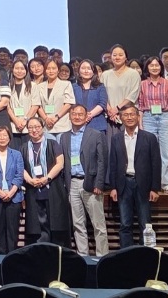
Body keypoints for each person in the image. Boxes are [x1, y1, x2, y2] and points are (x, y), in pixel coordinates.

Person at [109, 105, 161, 247]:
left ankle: (146, 254)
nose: (129, 117)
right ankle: (127, 254)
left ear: (138, 117)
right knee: (125, 223)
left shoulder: (149, 138)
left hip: (143, 184)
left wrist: (155, 188)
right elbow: (113, 164)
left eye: (132, 114)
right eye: (126, 115)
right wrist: (113, 187)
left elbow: (156, 164)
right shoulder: (116, 138)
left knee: (145, 223)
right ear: (121, 118)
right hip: (124, 184)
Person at [61, 105, 110, 256]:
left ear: (86, 116)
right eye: (74, 114)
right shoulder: (64, 137)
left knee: (98, 224)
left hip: (91, 183)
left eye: (80, 114)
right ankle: (83, 256)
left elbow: (102, 160)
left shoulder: (95, 134)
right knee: (78, 224)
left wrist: (99, 183)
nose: (77, 117)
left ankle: (102, 256)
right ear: (70, 116)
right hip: (72, 183)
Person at [21, 117, 70, 246]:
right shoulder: (24, 147)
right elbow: (20, 167)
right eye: (31, 127)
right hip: (33, 190)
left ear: (42, 128)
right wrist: (30, 180)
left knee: (56, 224)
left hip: (53, 188)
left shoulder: (53, 144)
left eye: (37, 127)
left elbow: (60, 164)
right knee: (38, 225)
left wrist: (47, 178)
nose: (34, 130)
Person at [138, 56, 168, 193]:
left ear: (161, 67)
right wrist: (140, 123)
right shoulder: (142, 84)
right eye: (151, 65)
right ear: (147, 68)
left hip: (165, 117)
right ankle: (152, 182)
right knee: (149, 152)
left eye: (157, 65)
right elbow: (140, 105)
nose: (154, 68)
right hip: (148, 117)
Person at [0, 126, 24, 255]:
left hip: (14, 197)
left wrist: (11, 192)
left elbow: (19, 175)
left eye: (5, 135)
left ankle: (12, 258)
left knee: (13, 231)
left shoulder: (17, 154)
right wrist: (0, 192)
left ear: (9, 138)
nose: (2, 138)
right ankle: (0, 258)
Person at [101, 45, 141, 135]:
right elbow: (102, 95)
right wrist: (110, 110)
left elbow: (133, 95)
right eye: (114, 55)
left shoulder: (133, 74)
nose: (117, 57)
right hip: (110, 117)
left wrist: (117, 109)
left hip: (127, 115)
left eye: (120, 55)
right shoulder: (105, 75)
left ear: (126, 57)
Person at [37, 59, 75, 138]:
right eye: (48, 68)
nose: (51, 71)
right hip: (46, 125)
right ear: (45, 70)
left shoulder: (66, 84)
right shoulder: (39, 86)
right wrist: (46, 119)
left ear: (58, 70)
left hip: (62, 124)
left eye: (54, 68)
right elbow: (38, 105)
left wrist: (56, 118)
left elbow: (68, 103)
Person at [72, 59, 109, 137]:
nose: (86, 71)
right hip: (78, 124)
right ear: (79, 71)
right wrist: (81, 116)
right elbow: (71, 104)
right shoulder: (74, 87)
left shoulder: (100, 86)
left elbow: (102, 104)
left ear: (93, 71)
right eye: (83, 68)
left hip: (97, 124)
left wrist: (88, 116)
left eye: (89, 68)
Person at [8, 60, 39, 146]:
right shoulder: (8, 86)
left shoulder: (33, 85)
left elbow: (35, 106)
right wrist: (16, 121)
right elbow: (7, 107)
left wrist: (25, 120)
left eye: (22, 69)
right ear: (12, 70)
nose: (19, 71)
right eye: (17, 68)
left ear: (26, 71)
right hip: (14, 125)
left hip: (29, 125)